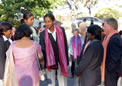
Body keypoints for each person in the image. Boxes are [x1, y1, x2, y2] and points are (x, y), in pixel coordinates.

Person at [39, 13, 69, 86]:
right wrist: (45, 65)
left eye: (49, 21)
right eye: (45, 22)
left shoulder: (61, 30)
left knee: (63, 82)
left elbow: (65, 45)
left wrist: (66, 61)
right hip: (50, 62)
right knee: (51, 82)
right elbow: (43, 49)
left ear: (53, 21)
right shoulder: (43, 34)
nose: (47, 23)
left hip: (61, 60)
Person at [101, 18, 122, 86]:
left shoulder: (115, 38)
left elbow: (115, 58)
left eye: (105, 26)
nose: (103, 28)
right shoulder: (108, 37)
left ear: (110, 27)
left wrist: (108, 70)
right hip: (109, 72)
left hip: (111, 73)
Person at [0, 22, 13, 86]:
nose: (11, 32)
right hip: (4, 74)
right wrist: (3, 76)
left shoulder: (9, 40)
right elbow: (1, 60)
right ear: (4, 31)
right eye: (10, 30)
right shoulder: (1, 42)